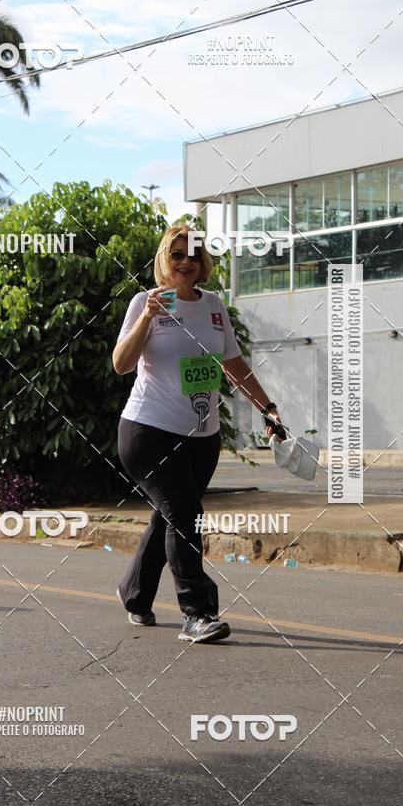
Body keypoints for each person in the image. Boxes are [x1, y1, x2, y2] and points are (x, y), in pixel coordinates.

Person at [112, 225, 285, 644]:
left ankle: (134, 593)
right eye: (177, 254)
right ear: (164, 259)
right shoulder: (145, 302)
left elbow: (233, 364)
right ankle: (198, 612)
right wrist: (147, 318)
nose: (186, 261)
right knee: (185, 513)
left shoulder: (213, 306)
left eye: (193, 254)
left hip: (202, 437)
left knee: (171, 515)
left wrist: (268, 408)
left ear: (203, 261)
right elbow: (121, 363)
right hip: (149, 431)